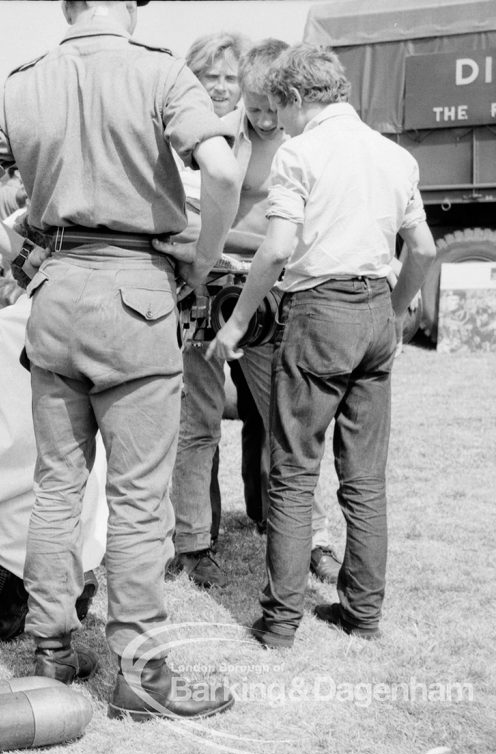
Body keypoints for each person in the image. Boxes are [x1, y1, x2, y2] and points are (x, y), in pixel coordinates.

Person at [0, 0, 240, 721]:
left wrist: (19, 252)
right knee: (138, 499)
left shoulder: (23, 83)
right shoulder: (161, 72)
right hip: (138, 294)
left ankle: (51, 647)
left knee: (56, 487)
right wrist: (202, 262)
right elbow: (222, 171)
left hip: (56, 292)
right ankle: (139, 668)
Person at [205, 44, 436, 648]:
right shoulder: (395, 156)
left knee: (293, 470)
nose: (279, 122)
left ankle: (280, 622)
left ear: (299, 97)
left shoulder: (300, 155)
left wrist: (235, 325)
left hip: (318, 309)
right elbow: (426, 250)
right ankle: (362, 613)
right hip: (376, 312)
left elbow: (277, 250)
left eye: (281, 108)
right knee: (365, 478)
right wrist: (390, 313)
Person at [166, 39, 342, 589]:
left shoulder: (303, 136)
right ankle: (193, 542)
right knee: (195, 423)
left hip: (269, 294)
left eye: (273, 108)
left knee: (283, 421)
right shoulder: (209, 134)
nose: (264, 119)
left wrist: (249, 249)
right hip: (201, 291)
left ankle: (308, 537)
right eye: (255, 107)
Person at [0, 294, 108, 640]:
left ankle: (12, 594)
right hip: (83, 531)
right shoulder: (105, 329)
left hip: (9, 529)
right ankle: (63, 586)